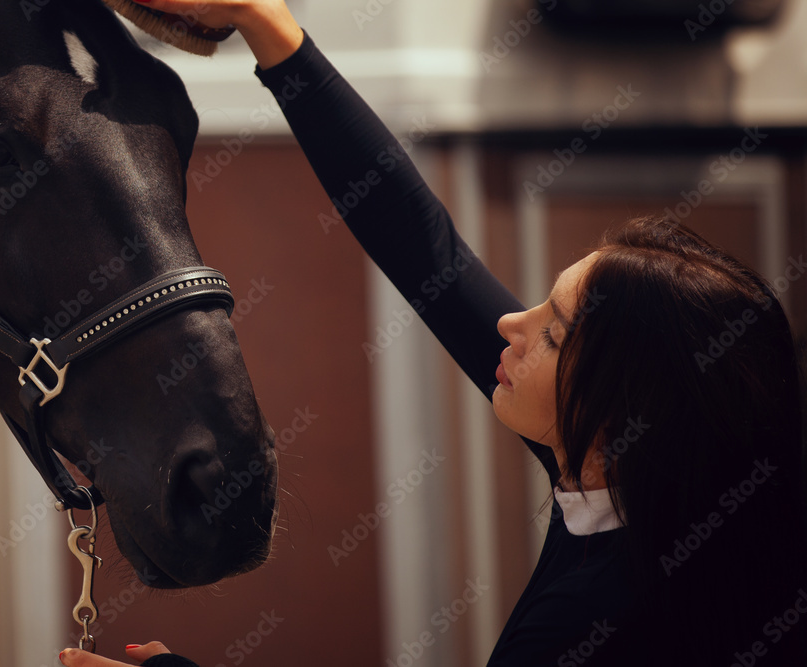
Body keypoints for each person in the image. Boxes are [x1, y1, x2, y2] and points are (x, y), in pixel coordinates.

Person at [60, 0, 807, 665]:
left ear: (624, 415)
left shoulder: (599, 619)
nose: (512, 323)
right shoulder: (634, 484)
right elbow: (430, 256)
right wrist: (266, 23)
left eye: (552, 333)